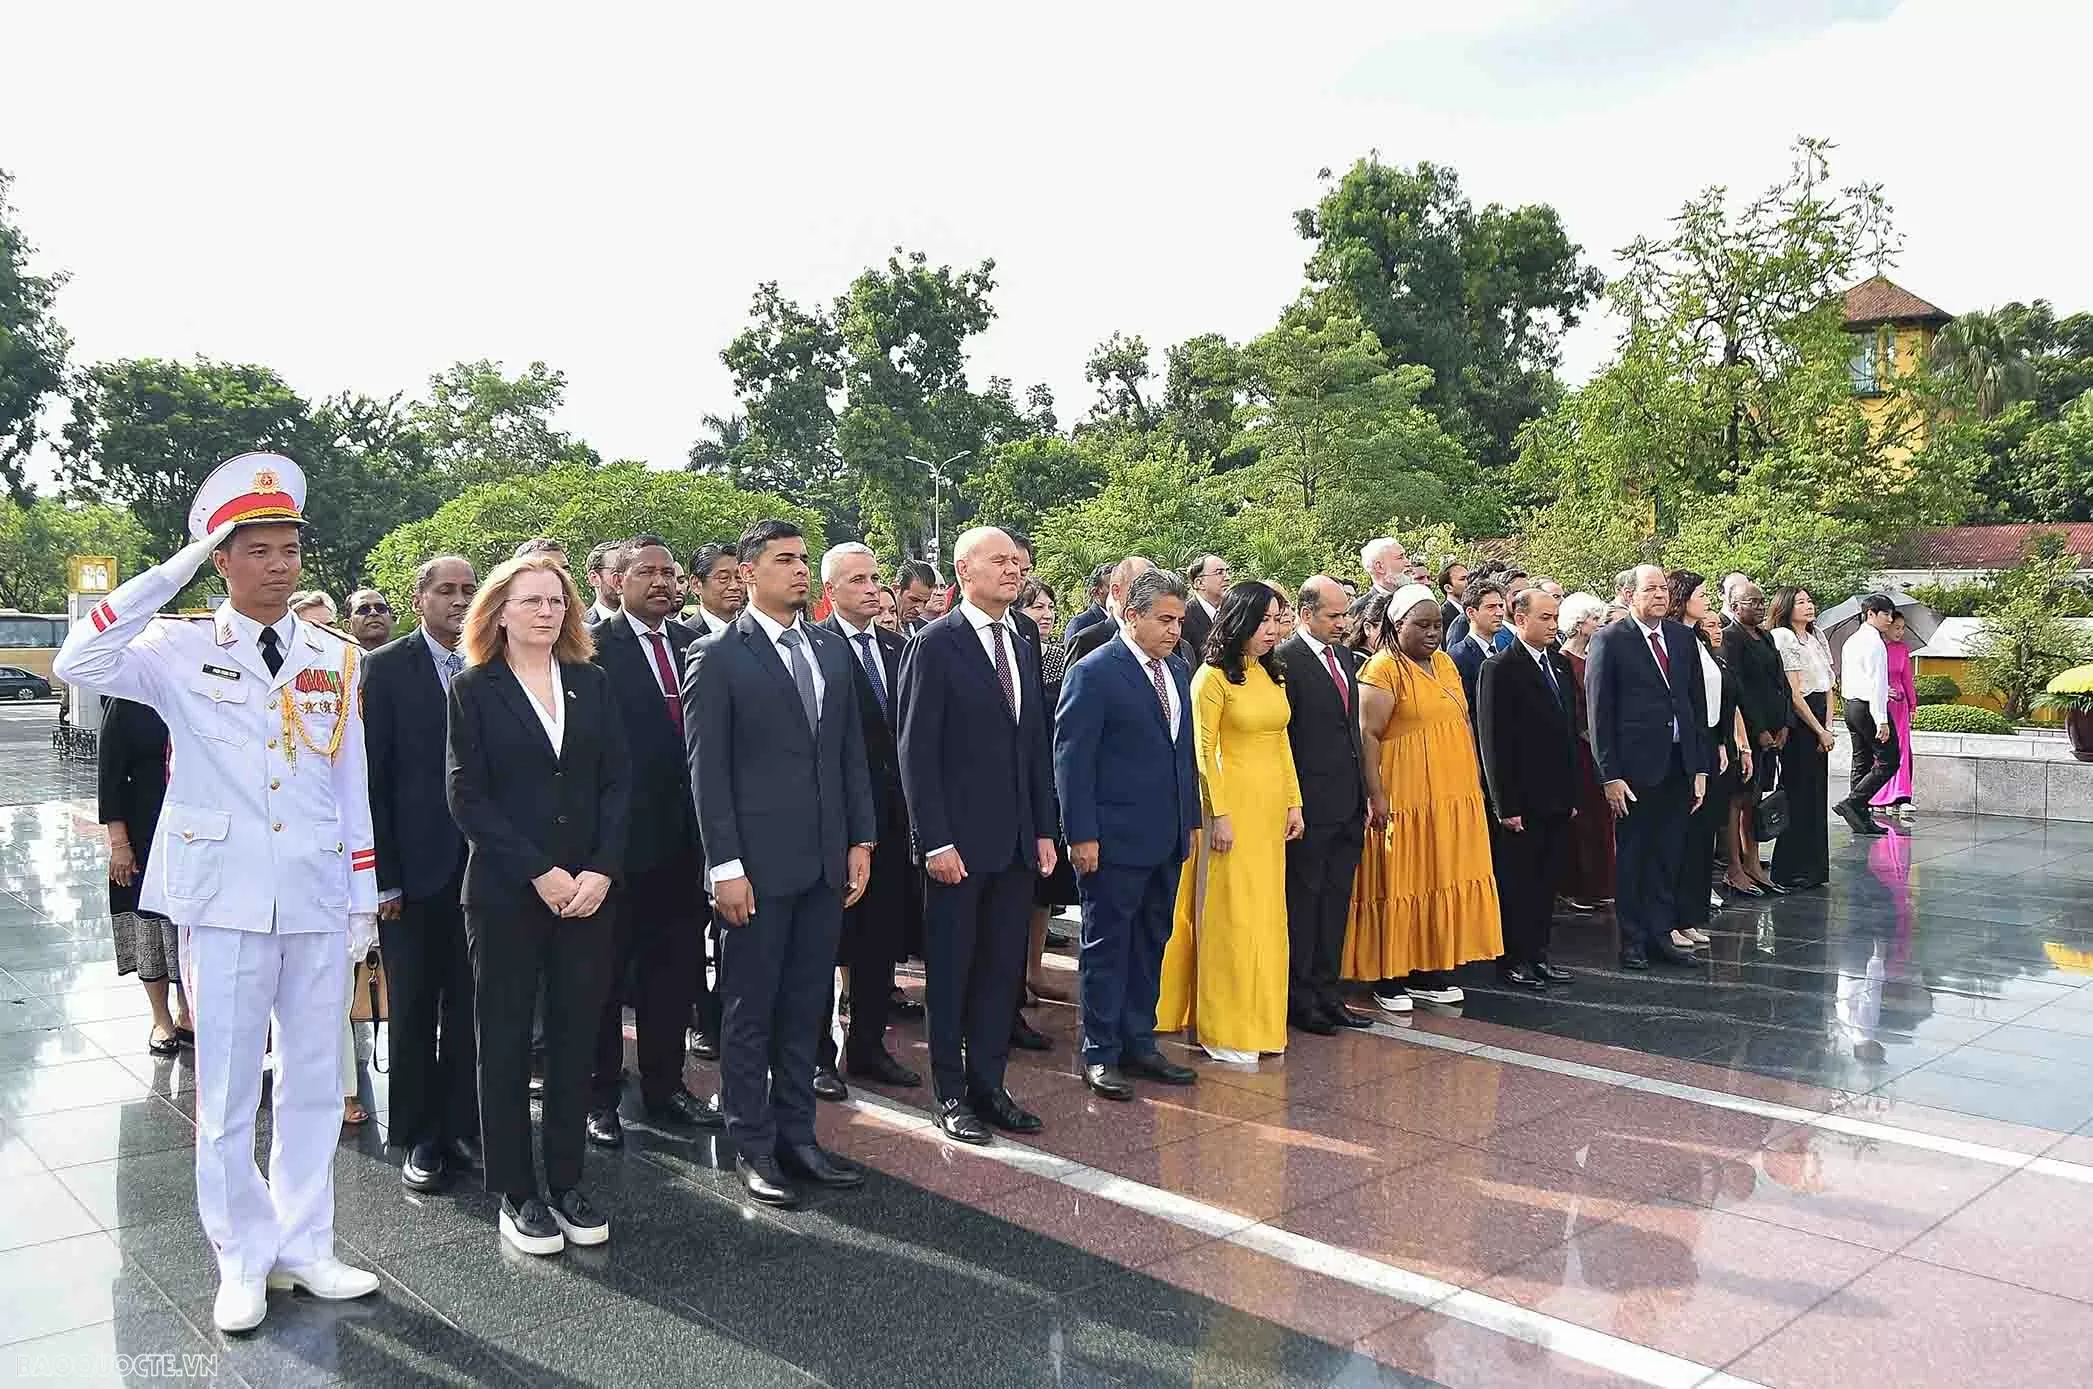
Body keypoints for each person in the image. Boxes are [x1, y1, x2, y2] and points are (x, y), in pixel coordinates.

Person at [54, 453, 382, 1332]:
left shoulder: (336, 656)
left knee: (314, 1080)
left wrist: (362, 896)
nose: (281, 564)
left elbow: (349, 781)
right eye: (260, 549)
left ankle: (306, 1242)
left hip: (315, 889)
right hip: (224, 894)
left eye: (290, 548)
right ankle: (240, 1253)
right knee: (229, 1087)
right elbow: (79, 655)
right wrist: (175, 567)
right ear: (223, 558)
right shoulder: (178, 646)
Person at [684, 520, 876, 1207]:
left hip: (824, 863)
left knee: (807, 1006)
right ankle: (753, 1144)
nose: (799, 571)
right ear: (747, 570)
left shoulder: (827, 649)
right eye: (785, 560)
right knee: (749, 1009)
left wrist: (861, 839)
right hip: (755, 871)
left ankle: (799, 1136)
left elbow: (848, 752)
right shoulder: (717, 655)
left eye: (803, 560)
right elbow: (707, 775)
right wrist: (724, 866)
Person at [447, 552, 627, 1256]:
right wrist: (542, 873)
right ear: (498, 611)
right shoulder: (473, 689)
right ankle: (516, 1190)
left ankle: (566, 1177)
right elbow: (467, 796)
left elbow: (618, 783)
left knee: (576, 1033)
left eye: (556, 601)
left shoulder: (592, 684)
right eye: (531, 601)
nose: (547, 612)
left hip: (590, 892)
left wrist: (601, 871)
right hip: (506, 893)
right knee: (505, 1034)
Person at [896, 526, 1058, 1145]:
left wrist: (1045, 829)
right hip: (957, 848)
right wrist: (934, 840)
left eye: (1018, 562)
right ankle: (951, 1093)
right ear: (964, 572)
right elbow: (917, 750)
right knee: (952, 970)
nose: (1014, 570)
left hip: (1016, 844)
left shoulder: (1021, 637)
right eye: (1000, 561)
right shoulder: (936, 643)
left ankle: (990, 1085)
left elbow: (1034, 746)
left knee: (998, 972)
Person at [586, 536, 720, 1144]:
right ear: (616, 580)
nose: (663, 582)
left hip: (685, 845)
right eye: (648, 572)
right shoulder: (590, 649)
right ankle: (600, 1098)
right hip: (615, 848)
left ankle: (667, 1087)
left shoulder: (698, 645)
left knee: (675, 972)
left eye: (671, 572)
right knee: (605, 979)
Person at [1054, 568, 1202, 1098]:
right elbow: (1073, 759)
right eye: (1163, 619)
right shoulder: (1095, 671)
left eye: (1179, 620)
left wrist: (1190, 822)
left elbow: (1183, 754)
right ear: (1131, 615)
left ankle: (1140, 1041)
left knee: (1151, 940)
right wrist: (1082, 835)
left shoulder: (1180, 671)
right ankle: (1100, 1050)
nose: (1173, 630)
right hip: (1112, 838)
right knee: (1107, 945)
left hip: (1166, 835)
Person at [363, 555, 483, 1193]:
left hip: (485, 872)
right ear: (420, 598)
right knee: (413, 1006)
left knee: (473, 1006)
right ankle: (416, 1134)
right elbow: (372, 781)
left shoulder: (492, 661)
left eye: (469, 589)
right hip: (411, 875)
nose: (459, 600)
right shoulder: (383, 670)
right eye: (446, 590)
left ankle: (463, 1123)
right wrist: (383, 877)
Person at [1158, 582, 1303, 1062]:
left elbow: (1282, 743)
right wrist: (1218, 813)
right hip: (1230, 807)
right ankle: (1223, 1028)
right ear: (1240, 621)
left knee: (1266, 918)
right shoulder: (1211, 678)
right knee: (1231, 915)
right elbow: (1201, 752)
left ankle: (1262, 1023)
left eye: (1278, 620)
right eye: (1264, 621)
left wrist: (1293, 802)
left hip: (1269, 813)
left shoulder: (1272, 675)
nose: (1273, 630)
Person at [1343, 585, 1503, 1010]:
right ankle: (1390, 974)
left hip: (1450, 793)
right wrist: (1374, 794)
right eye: (1423, 624)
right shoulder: (1382, 669)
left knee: (1439, 875)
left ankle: (1428, 967)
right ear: (1398, 625)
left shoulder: (1447, 664)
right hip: (1404, 793)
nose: (1433, 632)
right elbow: (1367, 735)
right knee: (1401, 878)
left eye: (1438, 625)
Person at [813, 542, 921, 1098]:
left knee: (879, 937)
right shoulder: (814, 647)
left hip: (891, 816)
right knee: (828, 942)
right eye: (858, 580)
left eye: (875, 577)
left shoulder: (898, 647)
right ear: (830, 592)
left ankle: (869, 1046)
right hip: (834, 818)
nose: (872, 588)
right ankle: (816, 1054)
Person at [1585, 564, 1710, 971]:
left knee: (1667, 854)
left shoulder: (1681, 637)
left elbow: (1694, 704)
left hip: (1677, 764)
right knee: (1635, 856)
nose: (1660, 595)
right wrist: (1610, 775)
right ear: (1628, 596)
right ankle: (1633, 940)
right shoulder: (1609, 641)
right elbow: (1599, 714)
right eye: (1650, 589)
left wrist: (1699, 767)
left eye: (1663, 589)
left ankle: (1661, 935)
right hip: (1634, 769)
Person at [1276, 576, 1373, 1034]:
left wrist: (1368, 793)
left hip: (1349, 802)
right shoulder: (1285, 662)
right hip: (1309, 806)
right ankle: (1300, 998)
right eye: (1333, 616)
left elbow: (1352, 730)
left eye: (1345, 614)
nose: (1342, 623)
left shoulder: (1346, 659)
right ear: (1305, 614)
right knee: (1305, 903)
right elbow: (1285, 741)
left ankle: (1329, 992)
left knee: (1337, 903)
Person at [1477, 589, 1579, 991]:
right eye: (1545, 618)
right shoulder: (1500, 667)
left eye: (1555, 618)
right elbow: (1493, 740)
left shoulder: (1557, 663)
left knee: (1546, 881)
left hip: (1555, 794)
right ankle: (1514, 959)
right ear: (1520, 620)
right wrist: (1505, 803)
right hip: (1521, 796)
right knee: (1519, 881)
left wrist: (1571, 795)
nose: (1554, 626)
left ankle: (1539, 954)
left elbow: (1568, 731)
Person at [99, 695, 191, 1056]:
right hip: (143, 832)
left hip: (193, 834)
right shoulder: (127, 700)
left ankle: (189, 1012)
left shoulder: (193, 686)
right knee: (150, 926)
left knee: (186, 927)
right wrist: (119, 843)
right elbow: (109, 775)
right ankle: (160, 1018)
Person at [1667, 571, 1743, 952]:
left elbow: (1716, 697)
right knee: (1683, 837)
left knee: (1702, 837)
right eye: (1700, 594)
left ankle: (1691, 914)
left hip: (1711, 742)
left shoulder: (1699, 640)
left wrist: (1723, 741)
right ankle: (1673, 919)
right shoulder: (1672, 639)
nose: (1707, 600)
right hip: (1685, 746)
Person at [1018, 577, 1077, 1006]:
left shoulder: (1057, 658)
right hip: (1012, 781)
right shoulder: (1017, 654)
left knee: (1044, 886)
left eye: (1049, 607)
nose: (1046, 614)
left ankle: (1033, 969)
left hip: (1050, 780)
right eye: (1036, 606)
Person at [1720, 583, 1789, 897]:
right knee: (1737, 798)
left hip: (1774, 731)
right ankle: (1734, 866)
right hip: (1748, 731)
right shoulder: (1732, 637)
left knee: (1755, 797)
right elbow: (1739, 689)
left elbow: (1780, 682)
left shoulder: (1767, 636)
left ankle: (1753, 862)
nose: (1761, 607)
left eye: (1763, 602)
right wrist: (1757, 729)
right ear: (1735, 606)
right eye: (1753, 602)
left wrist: (1785, 723)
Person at [1769, 587, 1836, 889]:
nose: (1808, 606)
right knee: (1798, 791)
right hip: (1800, 720)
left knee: (1816, 793)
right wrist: (1817, 728)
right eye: (1800, 602)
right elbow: (1795, 693)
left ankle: (1814, 866)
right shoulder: (1783, 637)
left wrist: (1828, 727)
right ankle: (1790, 866)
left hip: (1821, 717)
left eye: (1809, 601)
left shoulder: (1817, 635)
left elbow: (1828, 685)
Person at [1555, 593, 1615, 911]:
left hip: (1597, 747)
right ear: (1578, 624)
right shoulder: (1564, 660)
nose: (1599, 624)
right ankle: (1580, 886)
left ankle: (1603, 882)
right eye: (1594, 619)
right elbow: (1574, 709)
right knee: (1584, 819)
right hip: (1580, 749)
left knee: (1602, 816)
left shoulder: (1593, 657)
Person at [1838, 594, 1902, 838]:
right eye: (1885, 614)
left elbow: (1858, 677)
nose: (1889, 619)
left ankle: (1860, 816)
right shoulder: (1875, 642)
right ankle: (1854, 802)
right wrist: (1882, 719)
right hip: (1867, 707)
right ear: (1871, 614)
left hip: (1851, 705)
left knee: (1862, 760)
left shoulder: (1853, 640)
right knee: (1889, 759)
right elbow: (1874, 682)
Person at [1870, 611, 1919, 822]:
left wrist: (1913, 705)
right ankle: (1879, 796)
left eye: (1902, 628)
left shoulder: (1903, 649)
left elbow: (1907, 679)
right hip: (1879, 704)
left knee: (1902, 749)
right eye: (1896, 627)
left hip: (1899, 705)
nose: (1899, 632)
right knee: (1880, 748)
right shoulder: (1875, 648)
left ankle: (1901, 796)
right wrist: (1881, 690)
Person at [1449, 580, 1507, 716]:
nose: (1499, 612)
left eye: (1500, 606)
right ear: (1471, 612)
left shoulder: (1505, 650)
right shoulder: (1457, 657)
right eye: (1491, 607)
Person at [683, 542, 745, 637]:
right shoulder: (682, 637)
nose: (735, 586)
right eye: (723, 578)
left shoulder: (758, 633)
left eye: (739, 577)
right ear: (696, 584)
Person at [1181, 554, 1230, 655]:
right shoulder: (1184, 616)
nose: (1227, 578)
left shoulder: (1232, 612)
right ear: (1199, 583)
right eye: (1219, 572)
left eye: (1227, 571)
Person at [1062, 563, 1114, 644]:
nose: (1118, 592)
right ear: (1096, 592)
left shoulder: (1128, 620)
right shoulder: (1079, 624)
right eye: (1111, 587)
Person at [583, 542, 624, 625]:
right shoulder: (580, 627)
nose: (624, 578)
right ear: (594, 578)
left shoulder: (652, 620)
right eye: (617, 572)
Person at [895, 560, 938, 635]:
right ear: (896, 589)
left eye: (925, 602)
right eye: (914, 600)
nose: (920, 610)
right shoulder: (874, 629)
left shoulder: (927, 631)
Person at [1437, 562, 1468, 632]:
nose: (1468, 582)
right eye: (1462, 579)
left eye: (1468, 578)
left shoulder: (1474, 610)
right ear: (1448, 588)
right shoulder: (1442, 617)